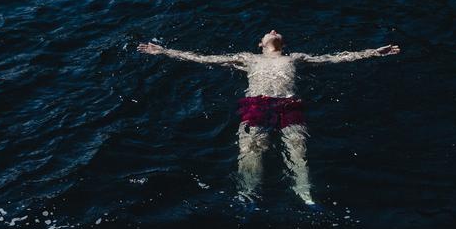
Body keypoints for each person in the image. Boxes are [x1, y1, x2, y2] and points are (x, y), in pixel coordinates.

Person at [137, 29, 401, 205]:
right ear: (261, 44)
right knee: (252, 150)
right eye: (268, 32)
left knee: (297, 149)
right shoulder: (246, 58)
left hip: (289, 104)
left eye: (277, 33)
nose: (273, 30)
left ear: (283, 45)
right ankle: (247, 195)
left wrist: (374, 52)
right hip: (256, 104)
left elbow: (334, 59)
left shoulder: (296, 57)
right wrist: (164, 51)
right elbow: (204, 58)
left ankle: (305, 195)